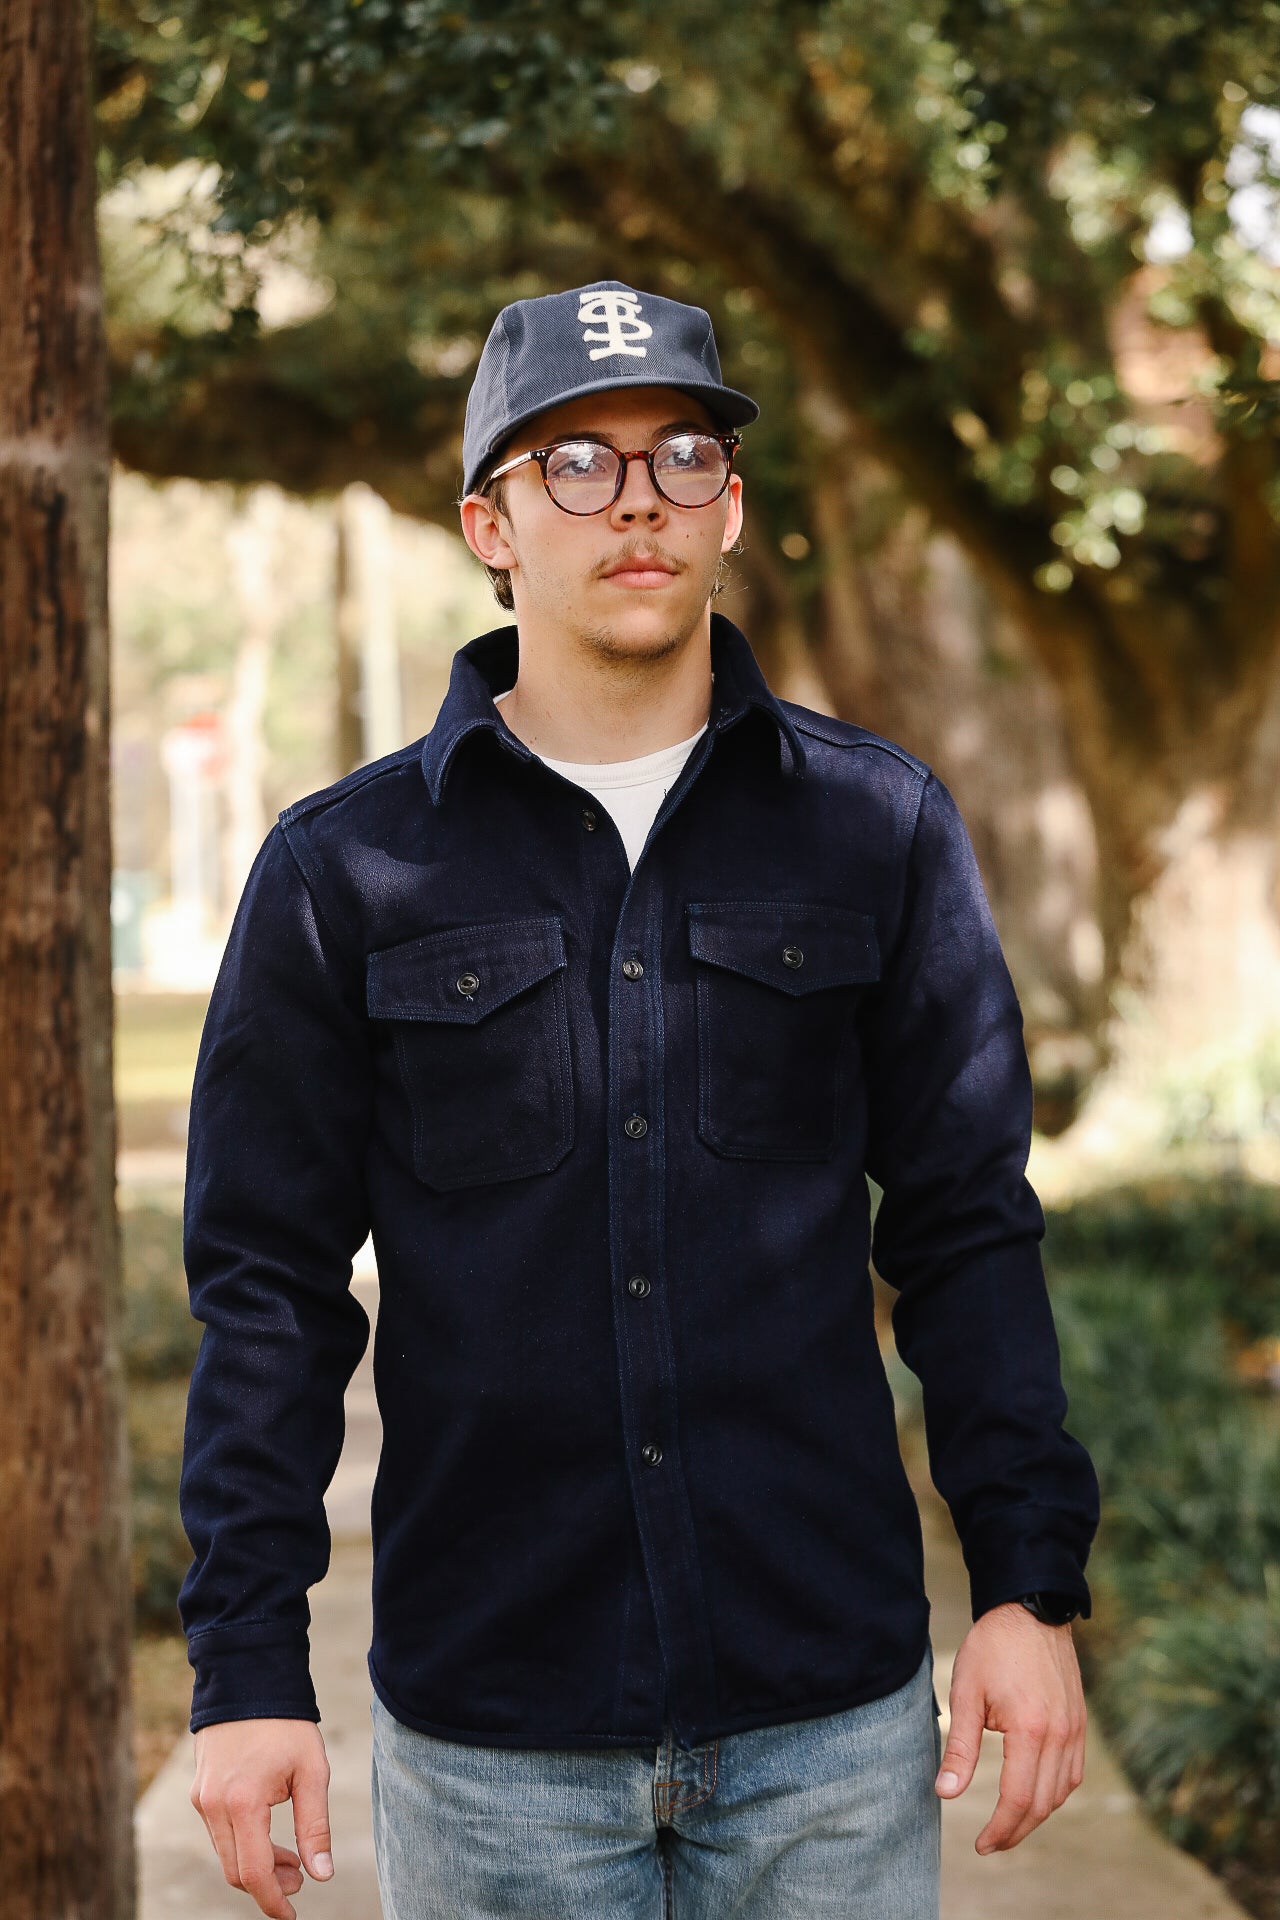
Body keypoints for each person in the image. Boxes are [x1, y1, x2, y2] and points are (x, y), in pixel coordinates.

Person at [180, 280, 1100, 1920]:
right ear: (491, 524)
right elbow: (266, 1287)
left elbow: (968, 1229)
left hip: (825, 1722)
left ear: (730, 507)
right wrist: (250, 1664)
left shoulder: (874, 829)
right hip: (497, 1742)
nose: (640, 503)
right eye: (576, 467)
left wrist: (1028, 1586)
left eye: (682, 456)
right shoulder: (344, 873)